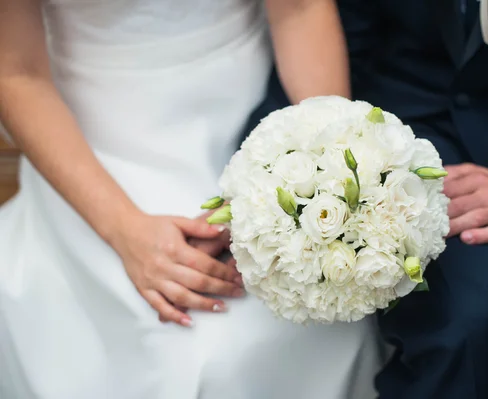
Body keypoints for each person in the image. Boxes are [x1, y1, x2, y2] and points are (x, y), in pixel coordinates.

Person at [0, 0, 382, 398]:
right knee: (198, 349)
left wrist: (319, 168)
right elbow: (17, 74)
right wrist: (124, 230)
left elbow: (299, 11)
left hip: (254, 119)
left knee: (322, 322)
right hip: (95, 148)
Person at [246, 0, 488, 397]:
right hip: (399, 137)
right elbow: (333, 25)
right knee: (470, 333)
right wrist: (270, 174)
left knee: (474, 330)